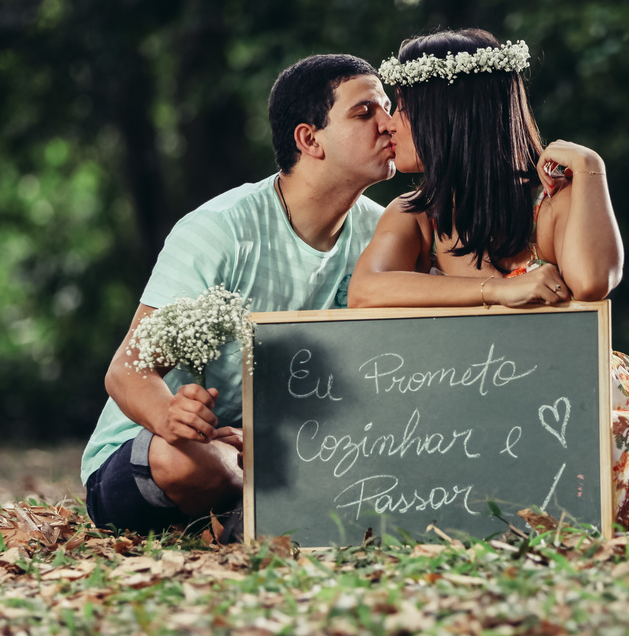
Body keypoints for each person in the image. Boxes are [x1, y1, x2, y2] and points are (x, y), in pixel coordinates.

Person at [348, 29, 629, 530]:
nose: (389, 123)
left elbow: (591, 283)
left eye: (404, 107)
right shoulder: (415, 214)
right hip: (472, 405)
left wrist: (591, 170)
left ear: (446, 117)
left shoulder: (550, 199)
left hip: (568, 399)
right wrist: (497, 291)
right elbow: (366, 291)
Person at [81, 54, 396, 540]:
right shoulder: (221, 230)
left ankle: (246, 516)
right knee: (183, 461)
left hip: (275, 451)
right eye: (365, 112)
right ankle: (255, 508)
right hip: (170, 454)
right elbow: (126, 372)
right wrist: (173, 415)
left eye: (387, 108)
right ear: (309, 139)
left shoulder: (382, 234)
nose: (388, 123)